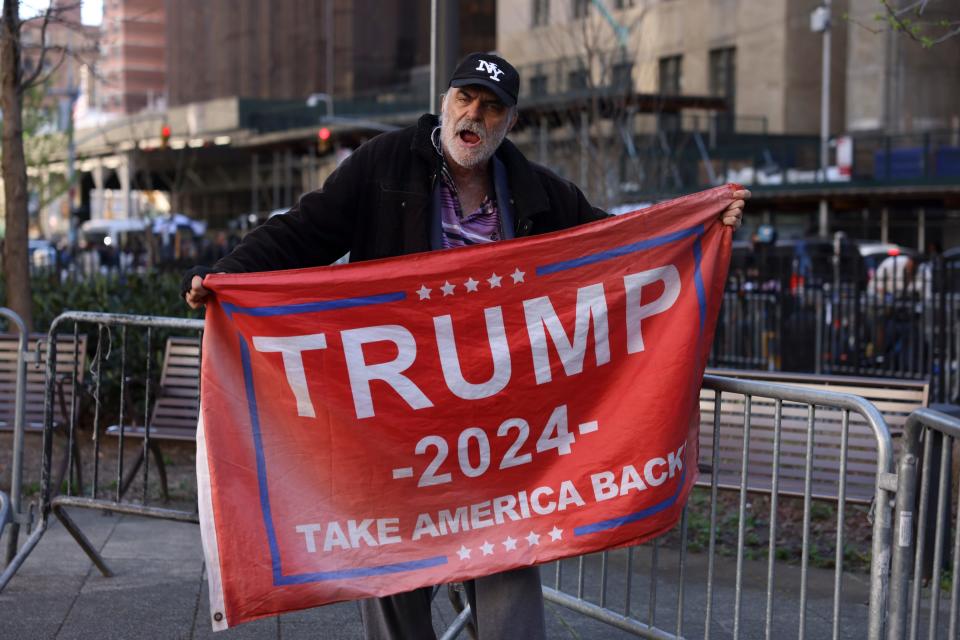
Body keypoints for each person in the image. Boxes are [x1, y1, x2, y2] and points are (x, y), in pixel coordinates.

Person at [182, 52, 748, 640]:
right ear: (446, 100)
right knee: (393, 578)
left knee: (507, 579)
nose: (474, 113)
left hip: (498, 442)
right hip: (398, 434)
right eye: (465, 99)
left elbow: (622, 250)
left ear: (510, 122)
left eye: (492, 105)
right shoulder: (384, 164)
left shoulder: (539, 194)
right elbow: (304, 229)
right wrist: (223, 276)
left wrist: (700, 225)